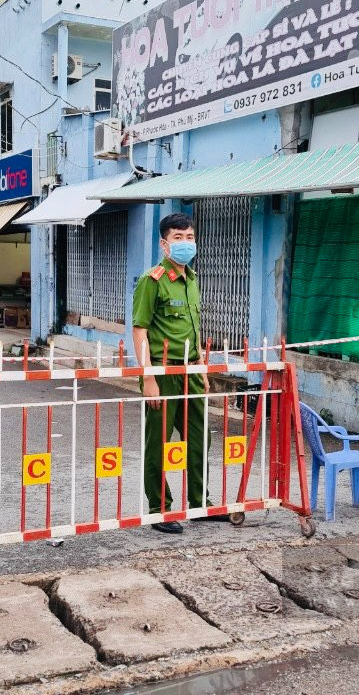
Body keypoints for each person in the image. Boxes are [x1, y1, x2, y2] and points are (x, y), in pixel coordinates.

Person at [131, 213, 226, 534]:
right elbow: (140, 331)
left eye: (189, 238)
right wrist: (148, 377)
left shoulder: (193, 280)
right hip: (162, 373)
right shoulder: (152, 281)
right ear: (164, 243)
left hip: (191, 373)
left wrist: (200, 366)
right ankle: (160, 510)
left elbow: (193, 329)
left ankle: (200, 504)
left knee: (200, 440)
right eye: (178, 238)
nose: (185, 243)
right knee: (158, 443)